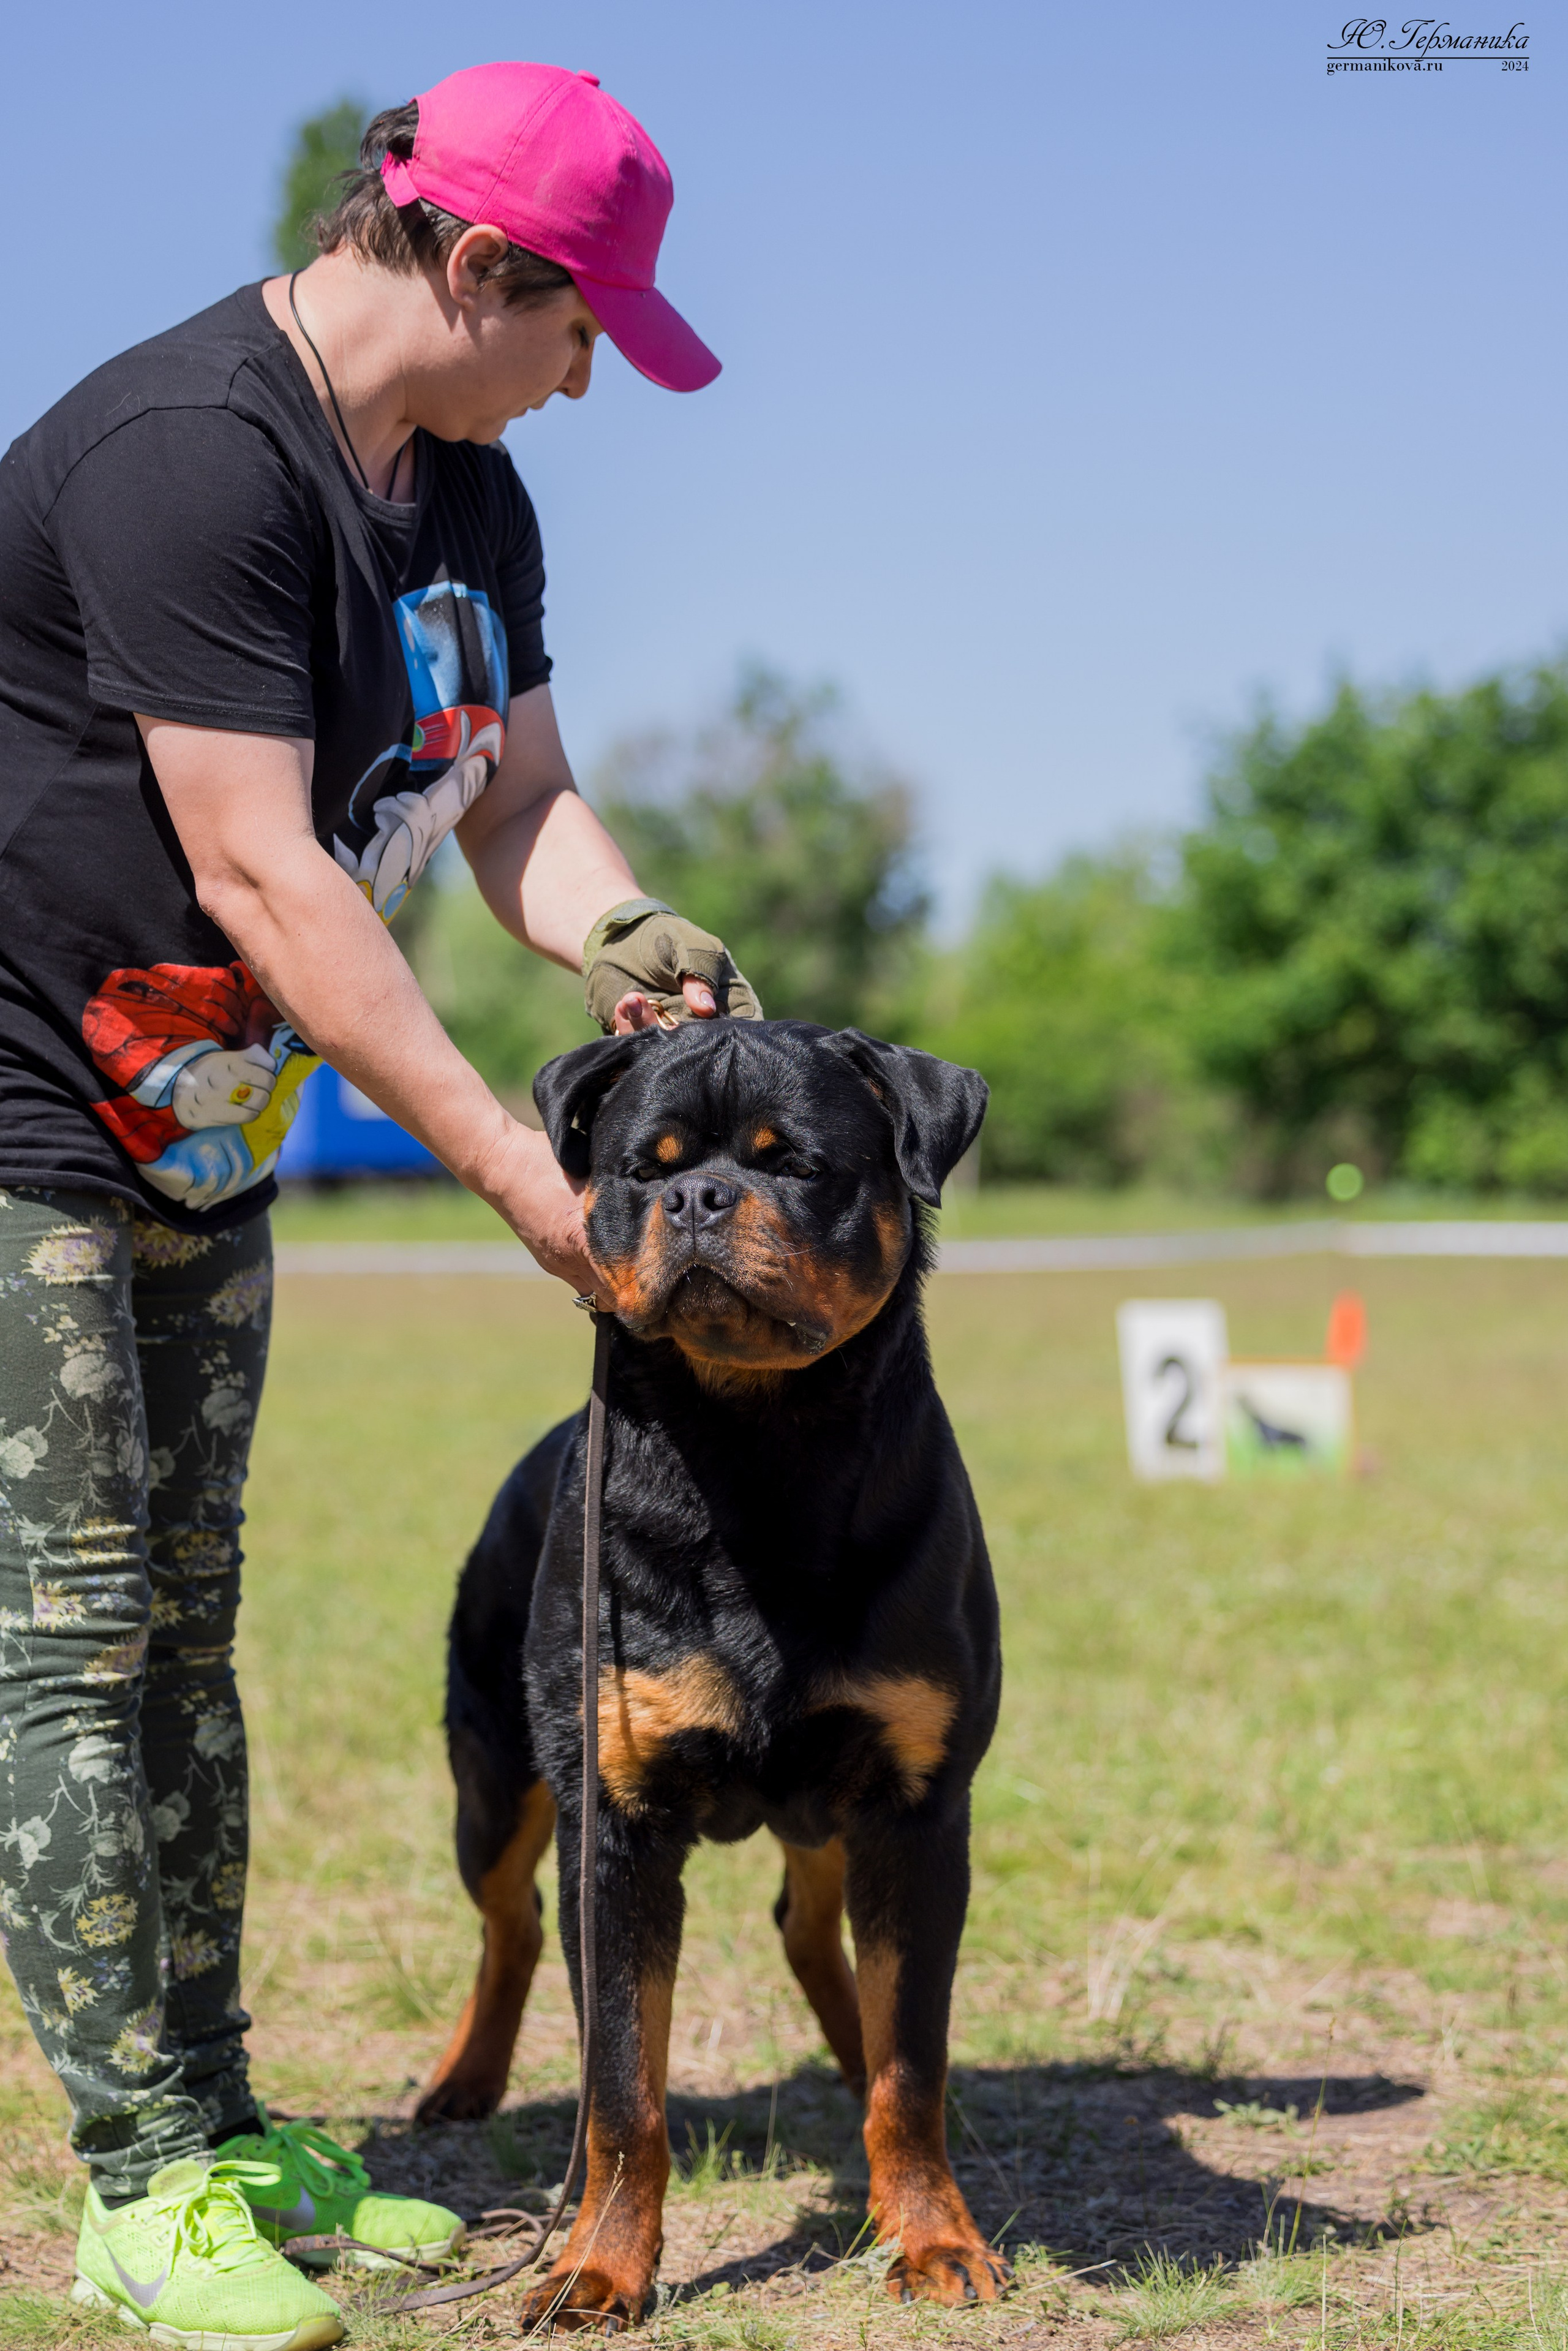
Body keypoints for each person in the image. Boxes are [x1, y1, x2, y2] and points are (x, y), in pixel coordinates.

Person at [0, 61, 758, 2350]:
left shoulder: (475, 496)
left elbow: (517, 798)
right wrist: (524, 1173)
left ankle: (223, 2126)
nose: (593, 368)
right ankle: (137, 2189)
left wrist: (644, 951)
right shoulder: (191, 459)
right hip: (23, 1105)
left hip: (198, 1124)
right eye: (583, 320)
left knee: (189, 1633)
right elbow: (267, 870)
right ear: (476, 263)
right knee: (69, 1640)